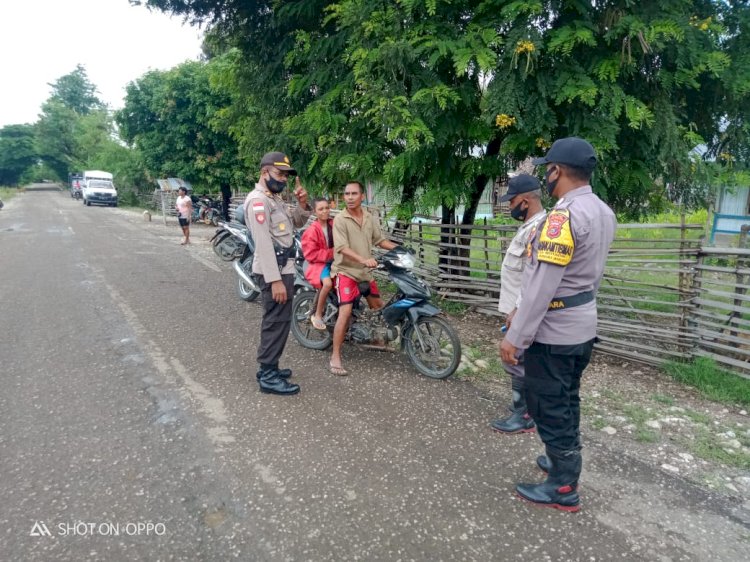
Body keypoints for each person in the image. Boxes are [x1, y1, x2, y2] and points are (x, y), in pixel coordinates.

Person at [500, 137, 616, 512]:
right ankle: (560, 460)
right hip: (582, 325)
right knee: (567, 397)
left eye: (547, 169)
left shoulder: (560, 219)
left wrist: (516, 336)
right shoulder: (602, 212)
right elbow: (592, 277)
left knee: (549, 404)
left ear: (558, 171)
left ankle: (564, 486)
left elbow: (541, 286)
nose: (546, 176)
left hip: (554, 331)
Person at [244, 151, 312, 395]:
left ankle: (269, 367)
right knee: (275, 322)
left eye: (285, 175)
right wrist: (275, 281)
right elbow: (262, 243)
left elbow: (293, 224)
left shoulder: (274, 199)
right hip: (275, 272)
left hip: (284, 268)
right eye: (279, 173)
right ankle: (268, 376)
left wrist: (303, 206)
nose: (283, 179)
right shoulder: (258, 201)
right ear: (264, 172)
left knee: (279, 321)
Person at [491, 174, 547, 434]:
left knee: (515, 360)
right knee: (519, 361)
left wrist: (518, 311)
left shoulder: (540, 228)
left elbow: (535, 276)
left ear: (525, 201)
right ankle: (525, 410)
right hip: (518, 309)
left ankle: (523, 415)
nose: (509, 205)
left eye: (511, 200)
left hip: (523, 311)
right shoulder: (530, 226)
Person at [329, 181, 397, 376]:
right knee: (346, 312)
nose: (349, 197)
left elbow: (380, 240)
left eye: (353, 194)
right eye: (346, 194)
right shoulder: (341, 219)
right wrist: (364, 259)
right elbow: (342, 248)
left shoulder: (368, 217)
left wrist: (399, 249)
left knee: (379, 306)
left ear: (362, 197)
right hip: (346, 271)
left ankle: (376, 339)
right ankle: (335, 356)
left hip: (364, 273)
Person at [301, 197, 335, 330]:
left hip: (334, 261)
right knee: (327, 284)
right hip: (318, 264)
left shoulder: (333, 224)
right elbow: (310, 254)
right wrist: (331, 253)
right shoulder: (312, 231)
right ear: (315, 211)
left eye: (327, 208)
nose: (325, 211)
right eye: (321, 209)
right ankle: (318, 314)